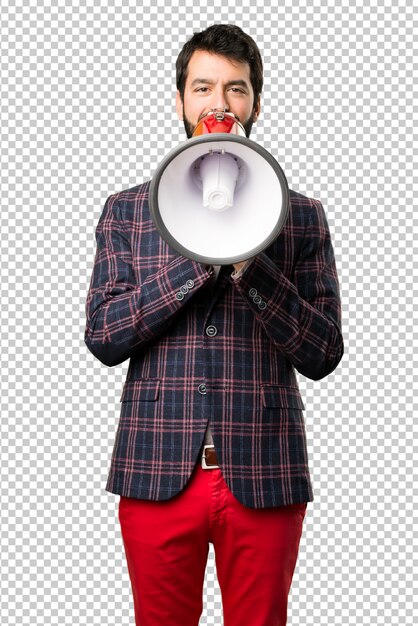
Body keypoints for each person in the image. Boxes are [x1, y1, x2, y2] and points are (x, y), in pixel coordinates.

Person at [84, 23, 343, 626]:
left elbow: (324, 352)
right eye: (202, 88)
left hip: (265, 471)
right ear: (180, 101)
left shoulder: (302, 217)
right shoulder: (127, 210)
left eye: (236, 88)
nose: (218, 104)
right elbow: (103, 335)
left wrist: (252, 268)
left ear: (255, 104)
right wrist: (196, 263)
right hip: (155, 470)